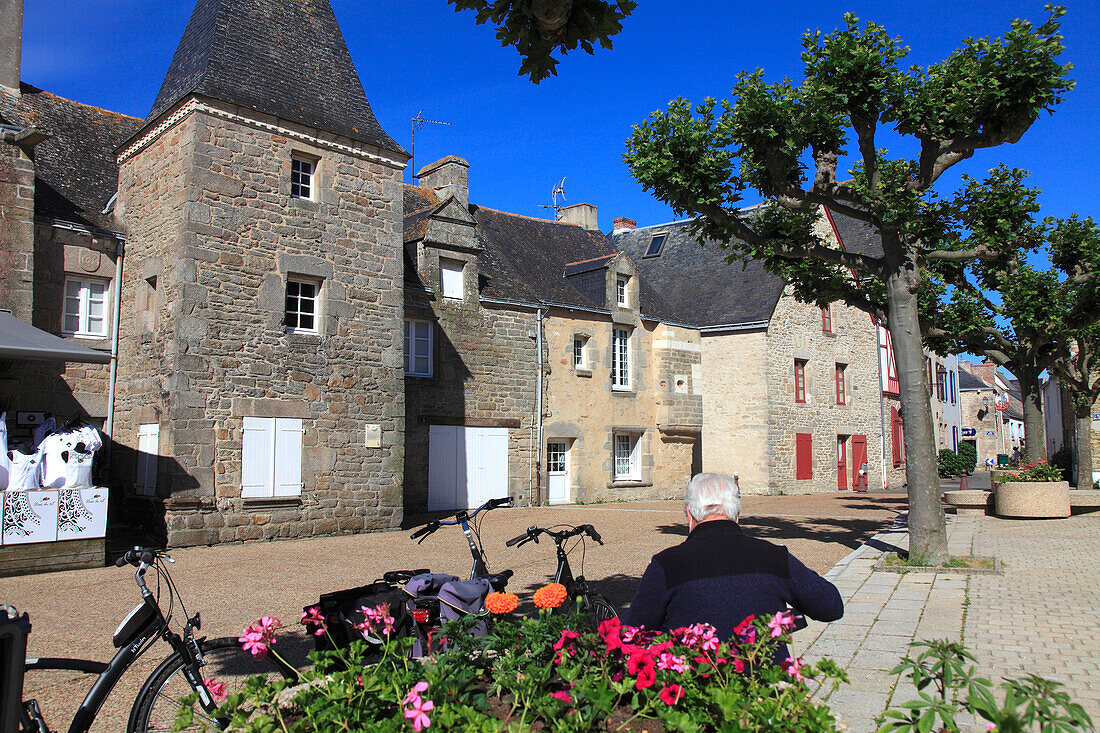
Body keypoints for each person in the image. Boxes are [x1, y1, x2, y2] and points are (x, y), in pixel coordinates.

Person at [623, 473, 843, 645]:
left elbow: (632, 631)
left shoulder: (667, 565)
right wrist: (787, 615)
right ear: (737, 514)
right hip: (764, 688)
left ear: (689, 515)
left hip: (692, 689)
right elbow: (830, 606)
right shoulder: (773, 556)